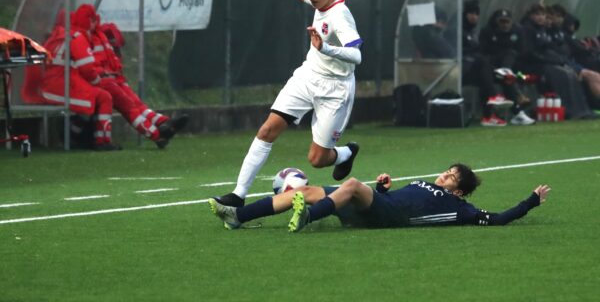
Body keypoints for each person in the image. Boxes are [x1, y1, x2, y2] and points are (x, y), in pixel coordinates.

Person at [215, 0, 363, 207]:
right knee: (267, 130)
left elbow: (357, 55)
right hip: (307, 77)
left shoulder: (341, 15)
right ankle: (238, 194)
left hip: (335, 89)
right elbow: (316, 3)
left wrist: (324, 48)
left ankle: (346, 153)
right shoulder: (321, 2)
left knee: (317, 159)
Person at [208, 163, 551, 231]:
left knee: (354, 184)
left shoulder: (460, 208)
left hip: (387, 218)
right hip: (381, 205)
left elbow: (500, 218)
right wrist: (384, 187)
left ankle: (309, 217)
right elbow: (401, 196)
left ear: (458, 190)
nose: (443, 176)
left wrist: (531, 201)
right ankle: (238, 216)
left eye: (451, 177)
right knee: (305, 191)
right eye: (446, 171)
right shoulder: (422, 182)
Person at [93, 20, 189, 148]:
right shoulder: (88, 38)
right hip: (104, 81)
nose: (116, 49)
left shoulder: (98, 37)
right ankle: (158, 135)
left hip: (114, 79)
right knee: (130, 108)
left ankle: (164, 123)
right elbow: (90, 67)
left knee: (137, 104)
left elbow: (111, 65)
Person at [40, 5, 120, 150]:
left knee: (91, 98)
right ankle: (102, 141)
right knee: (103, 97)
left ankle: (73, 135)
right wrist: (97, 82)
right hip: (61, 86)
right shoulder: (76, 37)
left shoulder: (54, 36)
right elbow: (87, 69)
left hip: (48, 85)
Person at [479, 9, 536, 125]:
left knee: (509, 70)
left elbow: (522, 52)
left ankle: (517, 114)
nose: (504, 24)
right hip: (492, 68)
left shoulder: (518, 31)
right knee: (507, 76)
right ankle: (517, 109)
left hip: (514, 69)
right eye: (502, 21)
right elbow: (483, 51)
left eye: (507, 22)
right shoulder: (488, 31)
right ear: (497, 22)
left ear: (511, 22)